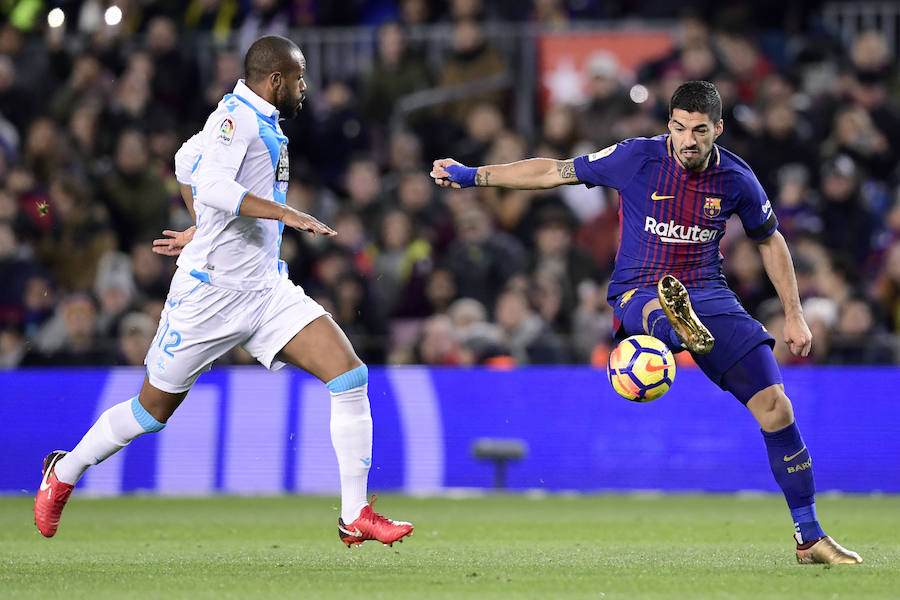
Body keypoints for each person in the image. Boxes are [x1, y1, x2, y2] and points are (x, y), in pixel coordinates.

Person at [430, 81, 862, 565]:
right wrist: (472, 176)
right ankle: (672, 329)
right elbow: (554, 171)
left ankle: (810, 538)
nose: (688, 140)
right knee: (658, 306)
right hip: (639, 289)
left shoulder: (737, 178)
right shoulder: (636, 158)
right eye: (679, 128)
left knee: (777, 408)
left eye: (700, 130)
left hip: (710, 293)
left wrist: (795, 315)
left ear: (718, 129)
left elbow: (770, 240)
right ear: (669, 126)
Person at [34, 35, 413, 548]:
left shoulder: (253, 119)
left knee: (349, 376)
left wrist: (204, 227)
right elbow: (208, 182)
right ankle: (65, 469)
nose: (304, 88)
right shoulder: (235, 118)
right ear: (275, 80)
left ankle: (354, 514)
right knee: (150, 413)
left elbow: (184, 161)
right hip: (208, 296)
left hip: (263, 290)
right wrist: (282, 212)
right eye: (298, 78)